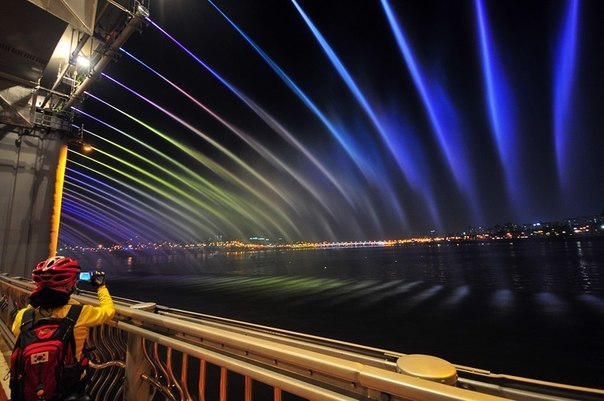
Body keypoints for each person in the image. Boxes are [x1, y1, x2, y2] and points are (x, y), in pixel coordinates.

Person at [11, 256, 116, 400]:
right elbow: (108, 311)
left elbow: (18, 335)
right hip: (70, 386)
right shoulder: (80, 312)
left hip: (31, 385)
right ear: (69, 285)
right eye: (74, 280)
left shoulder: (23, 316)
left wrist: (36, 301)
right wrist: (101, 287)